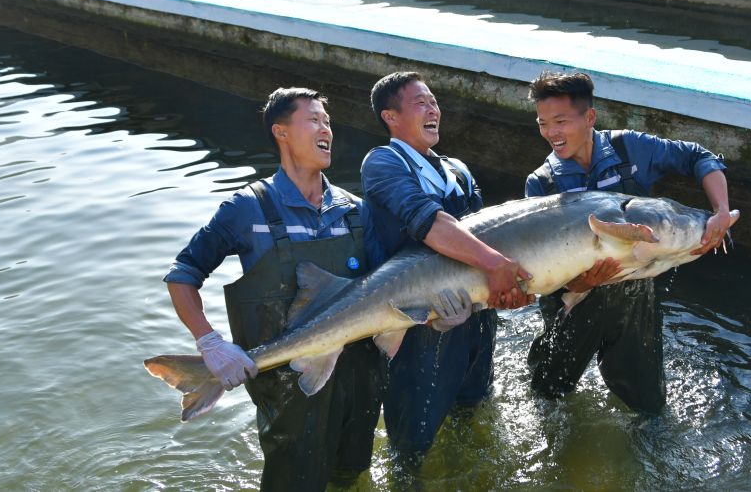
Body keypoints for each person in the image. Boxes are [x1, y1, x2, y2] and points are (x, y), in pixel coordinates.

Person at [163, 87, 386, 491]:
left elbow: (389, 288)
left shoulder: (356, 210)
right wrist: (209, 343)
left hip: (361, 377)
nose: (327, 130)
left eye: (328, 122)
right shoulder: (247, 208)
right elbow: (182, 275)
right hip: (287, 386)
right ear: (281, 132)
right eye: (314, 120)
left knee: (352, 478)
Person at [524, 70, 733, 413]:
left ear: (590, 117)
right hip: (574, 301)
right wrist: (581, 283)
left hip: (634, 296)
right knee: (549, 397)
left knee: (648, 406)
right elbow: (542, 274)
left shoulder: (629, 149)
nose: (551, 133)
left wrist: (721, 211)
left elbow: (698, 157)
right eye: (543, 123)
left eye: (560, 121)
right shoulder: (542, 184)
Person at [360, 71, 535, 462]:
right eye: (421, 102)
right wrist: (497, 264)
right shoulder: (383, 163)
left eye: (434, 102)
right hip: (419, 318)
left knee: (474, 407)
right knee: (412, 443)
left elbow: (489, 235)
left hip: (474, 313)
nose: (433, 108)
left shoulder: (456, 168)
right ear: (391, 117)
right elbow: (430, 225)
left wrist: (504, 292)